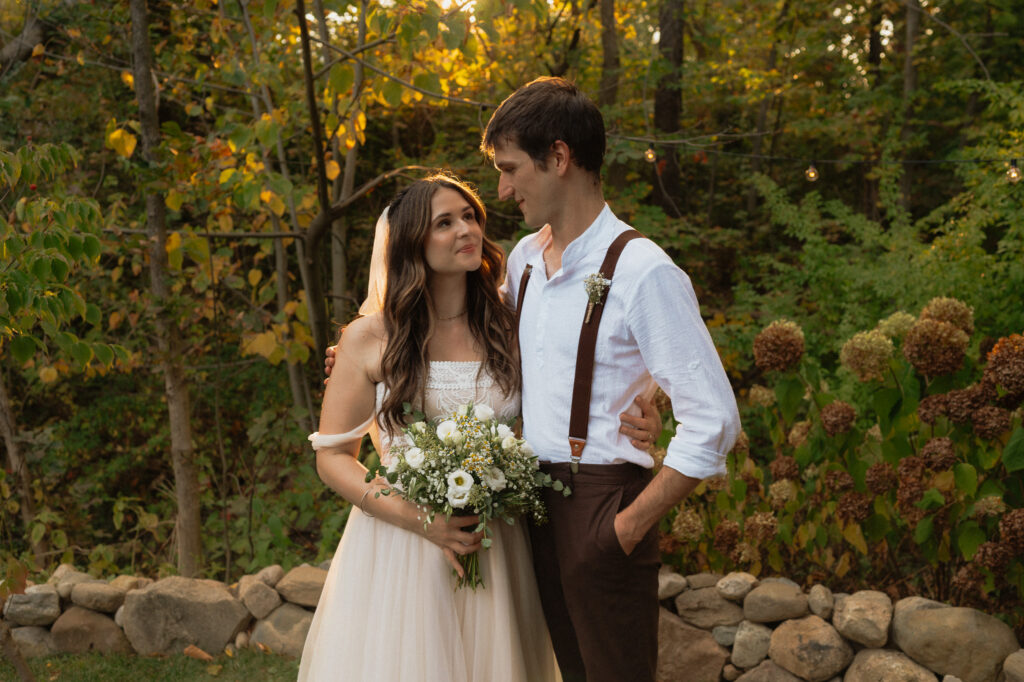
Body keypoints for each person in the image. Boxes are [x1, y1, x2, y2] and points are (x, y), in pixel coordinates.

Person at [300, 172, 660, 681]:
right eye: (444, 223)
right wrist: (424, 521)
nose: (466, 229)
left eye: (469, 216)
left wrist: (648, 405)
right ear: (411, 245)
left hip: (499, 542)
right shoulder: (370, 337)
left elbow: (593, 366)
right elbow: (332, 457)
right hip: (404, 543)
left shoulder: (510, 320)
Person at [480, 77, 741, 682]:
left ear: (560, 158)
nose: (503, 188)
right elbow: (466, 334)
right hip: (533, 503)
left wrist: (626, 525)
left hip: (603, 502)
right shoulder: (522, 260)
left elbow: (715, 418)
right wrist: (369, 343)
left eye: (511, 168)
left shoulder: (644, 270)